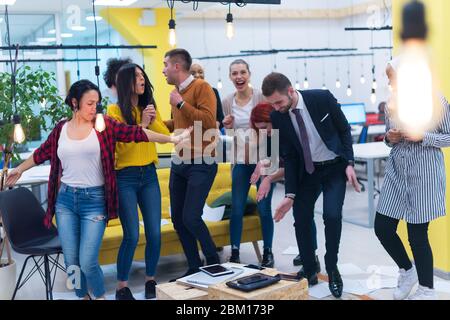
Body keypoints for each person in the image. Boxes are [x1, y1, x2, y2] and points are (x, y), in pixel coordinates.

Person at [5, 80, 190, 300]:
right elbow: (41, 153)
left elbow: (138, 134)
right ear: (75, 103)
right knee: (71, 261)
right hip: (65, 201)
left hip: (94, 201)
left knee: (88, 261)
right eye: (90, 103)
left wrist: (172, 138)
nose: (95, 108)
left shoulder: (104, 125)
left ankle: (100, 296)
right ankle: (82, 296)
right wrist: (19, 169)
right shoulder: (60, 129)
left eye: (97, 103)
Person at [262, 72, 360, 298]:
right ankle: (309, 266)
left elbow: (344, 130)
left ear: (290, 91)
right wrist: (290, 194)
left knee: (332, 216)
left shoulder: (321, 99)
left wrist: (349, 163)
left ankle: (332, 267)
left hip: (335, 167)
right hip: (309, 171)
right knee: (301, 216)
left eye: (278, 102)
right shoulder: (278, 117)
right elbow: (290, 155)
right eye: (272, 104)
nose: (276, 108)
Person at [374, 61, 450, 300]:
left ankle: (427, 290)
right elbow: (388, 138)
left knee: (417, 235)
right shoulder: (391, 103)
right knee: (383, 228)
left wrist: (423, 136)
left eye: (392, 77)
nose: (389, 83)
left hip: (424, 174)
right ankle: (408, 271)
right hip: (397, 172)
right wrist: (390, 137)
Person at [106, 63, 170, 300]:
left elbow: (164, 135)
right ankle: (122, 286)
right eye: (137, 77)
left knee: (155, 232)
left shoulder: (149, 107)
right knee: (131, 234)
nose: (142, 80)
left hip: (149, 175)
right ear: (126, 83)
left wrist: (150, 119)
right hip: (125, 178)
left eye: (143, 75)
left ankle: (150, 280)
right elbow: (123, 142)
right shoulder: (113, 111)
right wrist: (141, 124)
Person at [162, 48, 219, 280]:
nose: (163, 70)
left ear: (177, 66)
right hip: (180, 161)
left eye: (166, 65)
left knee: (191, 217)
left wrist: (181, 104)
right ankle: (194, 265)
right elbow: (179, 125)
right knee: (178, 218)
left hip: (202, 162)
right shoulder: (176, 92)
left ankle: (213, 261)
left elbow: (208, 121)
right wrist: (155, 123)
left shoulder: (202, 88)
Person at [249, 103, 321, 272]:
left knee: (304, 213)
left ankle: (311, 257)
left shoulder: (289, 131)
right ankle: (308, 253)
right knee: (302, 215)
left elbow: (291, 165)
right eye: (259, 129)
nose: (264, 131)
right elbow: (276, 163)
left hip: (312, 173)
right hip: (296, 175)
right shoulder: (270, 135)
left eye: (265, 126)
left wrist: (269, 178)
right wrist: (265, 170)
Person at [221, 59, 271, 265]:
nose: (239, 77)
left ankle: (268, 252)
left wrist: (268, 160)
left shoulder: (260, 96)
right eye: (234, 73)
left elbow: (270, 129)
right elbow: (233, 137)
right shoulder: (227, 102)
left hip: (264, 160)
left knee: (264, 208)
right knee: (237, 207)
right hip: (241, 161)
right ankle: (234, 251)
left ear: (249, 74)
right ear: (230, 77)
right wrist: (228, 127)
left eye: (242, 72)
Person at [190, 61, 225, 131]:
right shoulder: (183, 94)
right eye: (193, 73)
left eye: (200, 72)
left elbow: (220, 117)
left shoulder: (213, 92)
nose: (197, 75)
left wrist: (217, 124)